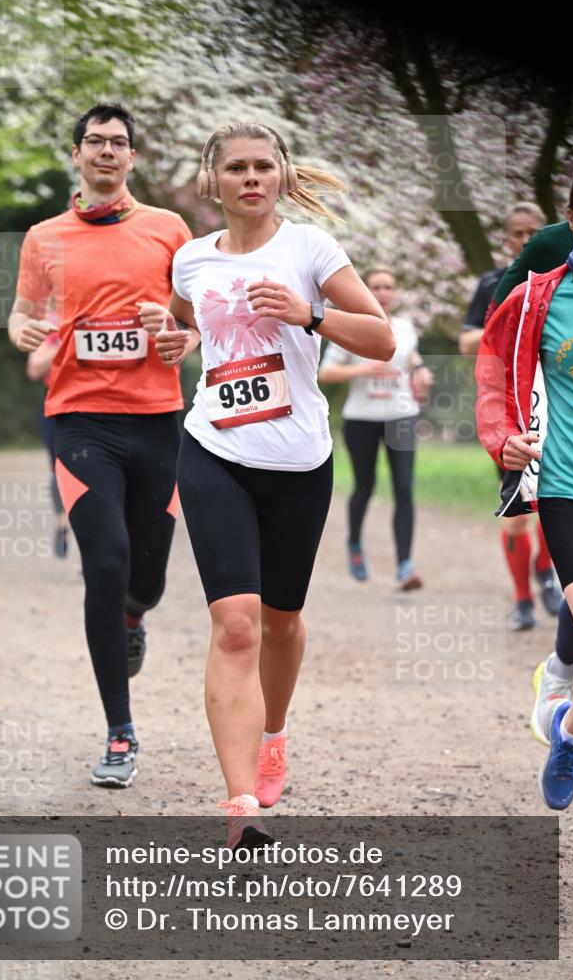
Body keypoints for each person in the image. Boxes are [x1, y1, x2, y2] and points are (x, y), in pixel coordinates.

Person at [151, 121, 395, 846]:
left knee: (281, 623)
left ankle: (273, 733)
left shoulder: (310, 250)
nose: (250, 178)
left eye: (263, 166)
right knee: (235, 625)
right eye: (235, 168)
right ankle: (238, 807)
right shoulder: (190, 259)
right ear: (212, 181)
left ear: (282, 175)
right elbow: (190, 320)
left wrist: (309, 313)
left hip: (297, 461)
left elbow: (381, 340)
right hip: (212, 450)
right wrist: (182, 341)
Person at [8, 102, 192, 788]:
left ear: (132, 158)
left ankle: (134, 616)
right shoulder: (43, 236)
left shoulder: (169, 230)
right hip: (80, 419)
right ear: (78, 155)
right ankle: (120, 730)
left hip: (155, 419)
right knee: (105, 563)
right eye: (95, 142)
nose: (107, 152)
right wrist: (19, 331)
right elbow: (25, 314)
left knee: (146, 580)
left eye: (118, 143)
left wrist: (181, 336)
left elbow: (197, 319)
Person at [476, 231, 573, 811]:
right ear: (571, 219)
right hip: (567, 483)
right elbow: (493, 368)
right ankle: (566, 723)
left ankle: (565, 715)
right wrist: (502, 438)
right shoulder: (541, 294)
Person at [460, 202, 563, 631]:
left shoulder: (564, 285)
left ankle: (545, 569)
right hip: (507, 409)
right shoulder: (492, 285)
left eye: (533, 232)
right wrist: (512, 333)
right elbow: (468, 341)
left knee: (556, 503)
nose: (525, 240)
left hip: (555, 406)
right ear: (507, 240)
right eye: (518, 233)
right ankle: (522, 599)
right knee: (521, 509)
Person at [318, 267, 433, 590]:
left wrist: (421, 371)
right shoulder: (351, 325)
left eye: (388, 287)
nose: (383, 292)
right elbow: (326, 373)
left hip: (401, 415)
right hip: (361, 418)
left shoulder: (405, 327)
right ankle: (354, 542)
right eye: (376, 287)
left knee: (404, 488)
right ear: (365, 290)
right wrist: (365, 368)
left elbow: (410, 356)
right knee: (364, 487)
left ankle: (405, 566)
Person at [26, 312, 70, 558]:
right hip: (55, 405)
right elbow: (34, 368)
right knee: (58, 470)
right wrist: (69, 343)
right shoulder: (50, 323)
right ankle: (62, 524)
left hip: (96, 405)